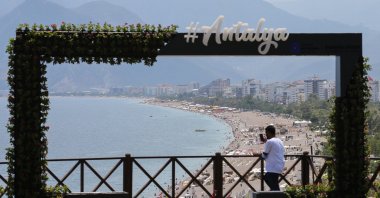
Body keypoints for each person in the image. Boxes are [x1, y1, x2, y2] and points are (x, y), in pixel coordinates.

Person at [259, 125, 285, 191]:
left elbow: (264, 155)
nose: (266, 135)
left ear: (269, 132)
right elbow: (273, 147)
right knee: (267, 179)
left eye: (266, 133)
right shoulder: (279, 141)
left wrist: (256, 154)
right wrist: (266, 142)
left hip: (273, 167)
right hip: (279, 165)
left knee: (275, 188)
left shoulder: (269, 142)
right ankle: (274, 193)